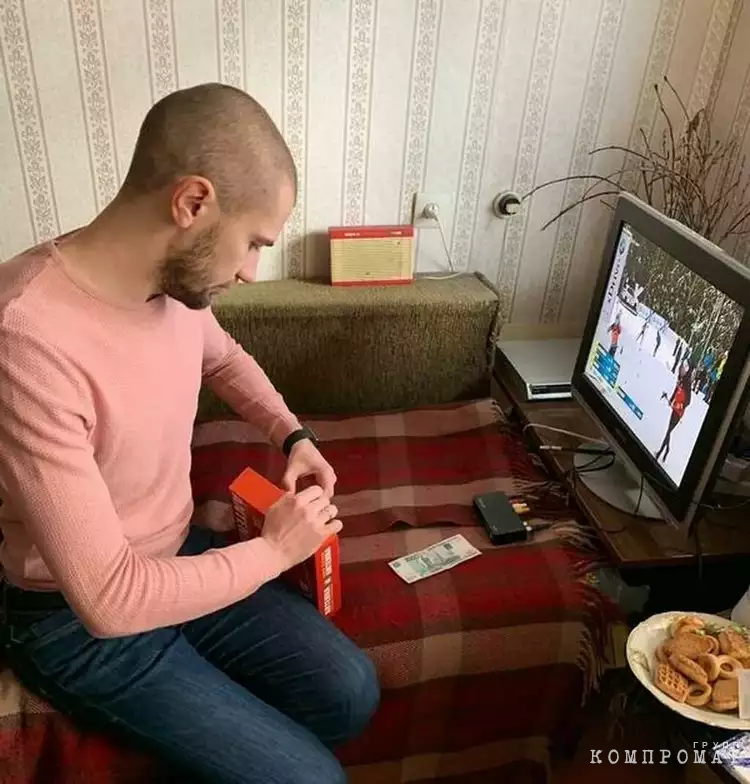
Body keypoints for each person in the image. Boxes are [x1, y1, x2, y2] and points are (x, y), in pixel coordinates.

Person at [0, 84, 379, 784]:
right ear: (193, 203)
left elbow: (224, 358)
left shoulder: (175, 285)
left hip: (176, 550)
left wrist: (291, 434)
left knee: (351, 691)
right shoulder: (25, 335)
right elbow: (110, 599)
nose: (250, 270)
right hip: (76, 622)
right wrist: (273, 553)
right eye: (254, 242)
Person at [655, 365, 693, 463]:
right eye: (681, 370)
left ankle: (661, 452)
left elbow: (688, 402)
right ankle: (665, 450)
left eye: (683, 370)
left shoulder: (687, 384)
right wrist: (671, 400)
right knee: (668, 431)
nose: (682, 371)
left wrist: (680, 405)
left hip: (679, 412)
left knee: (668, 431)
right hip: (674, 408)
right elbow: (675, 391)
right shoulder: (679, 380)